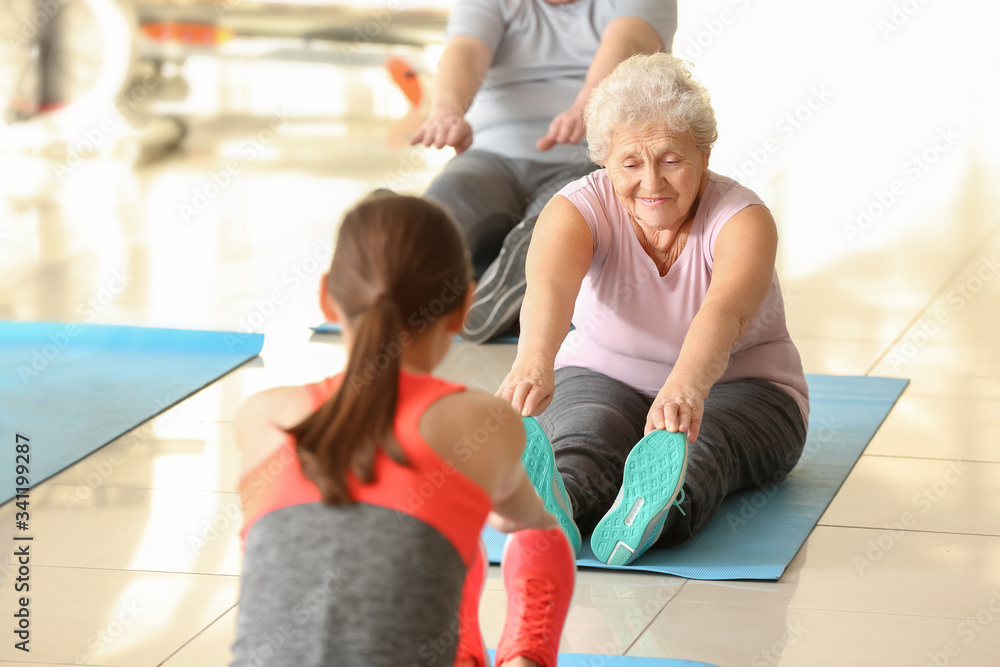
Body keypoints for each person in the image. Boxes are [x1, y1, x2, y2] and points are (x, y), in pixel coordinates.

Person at [230, 194, 575, 667]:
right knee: (537, 532)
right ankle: (520, 659)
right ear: (463, 309)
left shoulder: (261, 416)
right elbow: (521, 524)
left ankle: (456, 644)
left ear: (327, 298)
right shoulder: (482, 422)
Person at [495, 53, 811, 566]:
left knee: (702, 448)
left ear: (704, 154)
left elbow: (725, 310)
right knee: (584, 435)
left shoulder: (744, 219)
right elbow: (550, 286)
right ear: (604, 161)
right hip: (602, 370)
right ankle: (557, 504)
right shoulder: (575, 210)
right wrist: (533, 363)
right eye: (631, 163)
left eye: (671, 159)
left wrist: (686, 386)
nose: (652, 183)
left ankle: (657, 511)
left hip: (743, 387)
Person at [411, 0, 678, 343]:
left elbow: (630, 35)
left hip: (589, 154)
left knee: (568, 214)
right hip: (490, 152)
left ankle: (521, 266)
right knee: (442, 208)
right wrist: (447, 112)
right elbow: (465, 49)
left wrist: (589, 107)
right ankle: (488, 283)